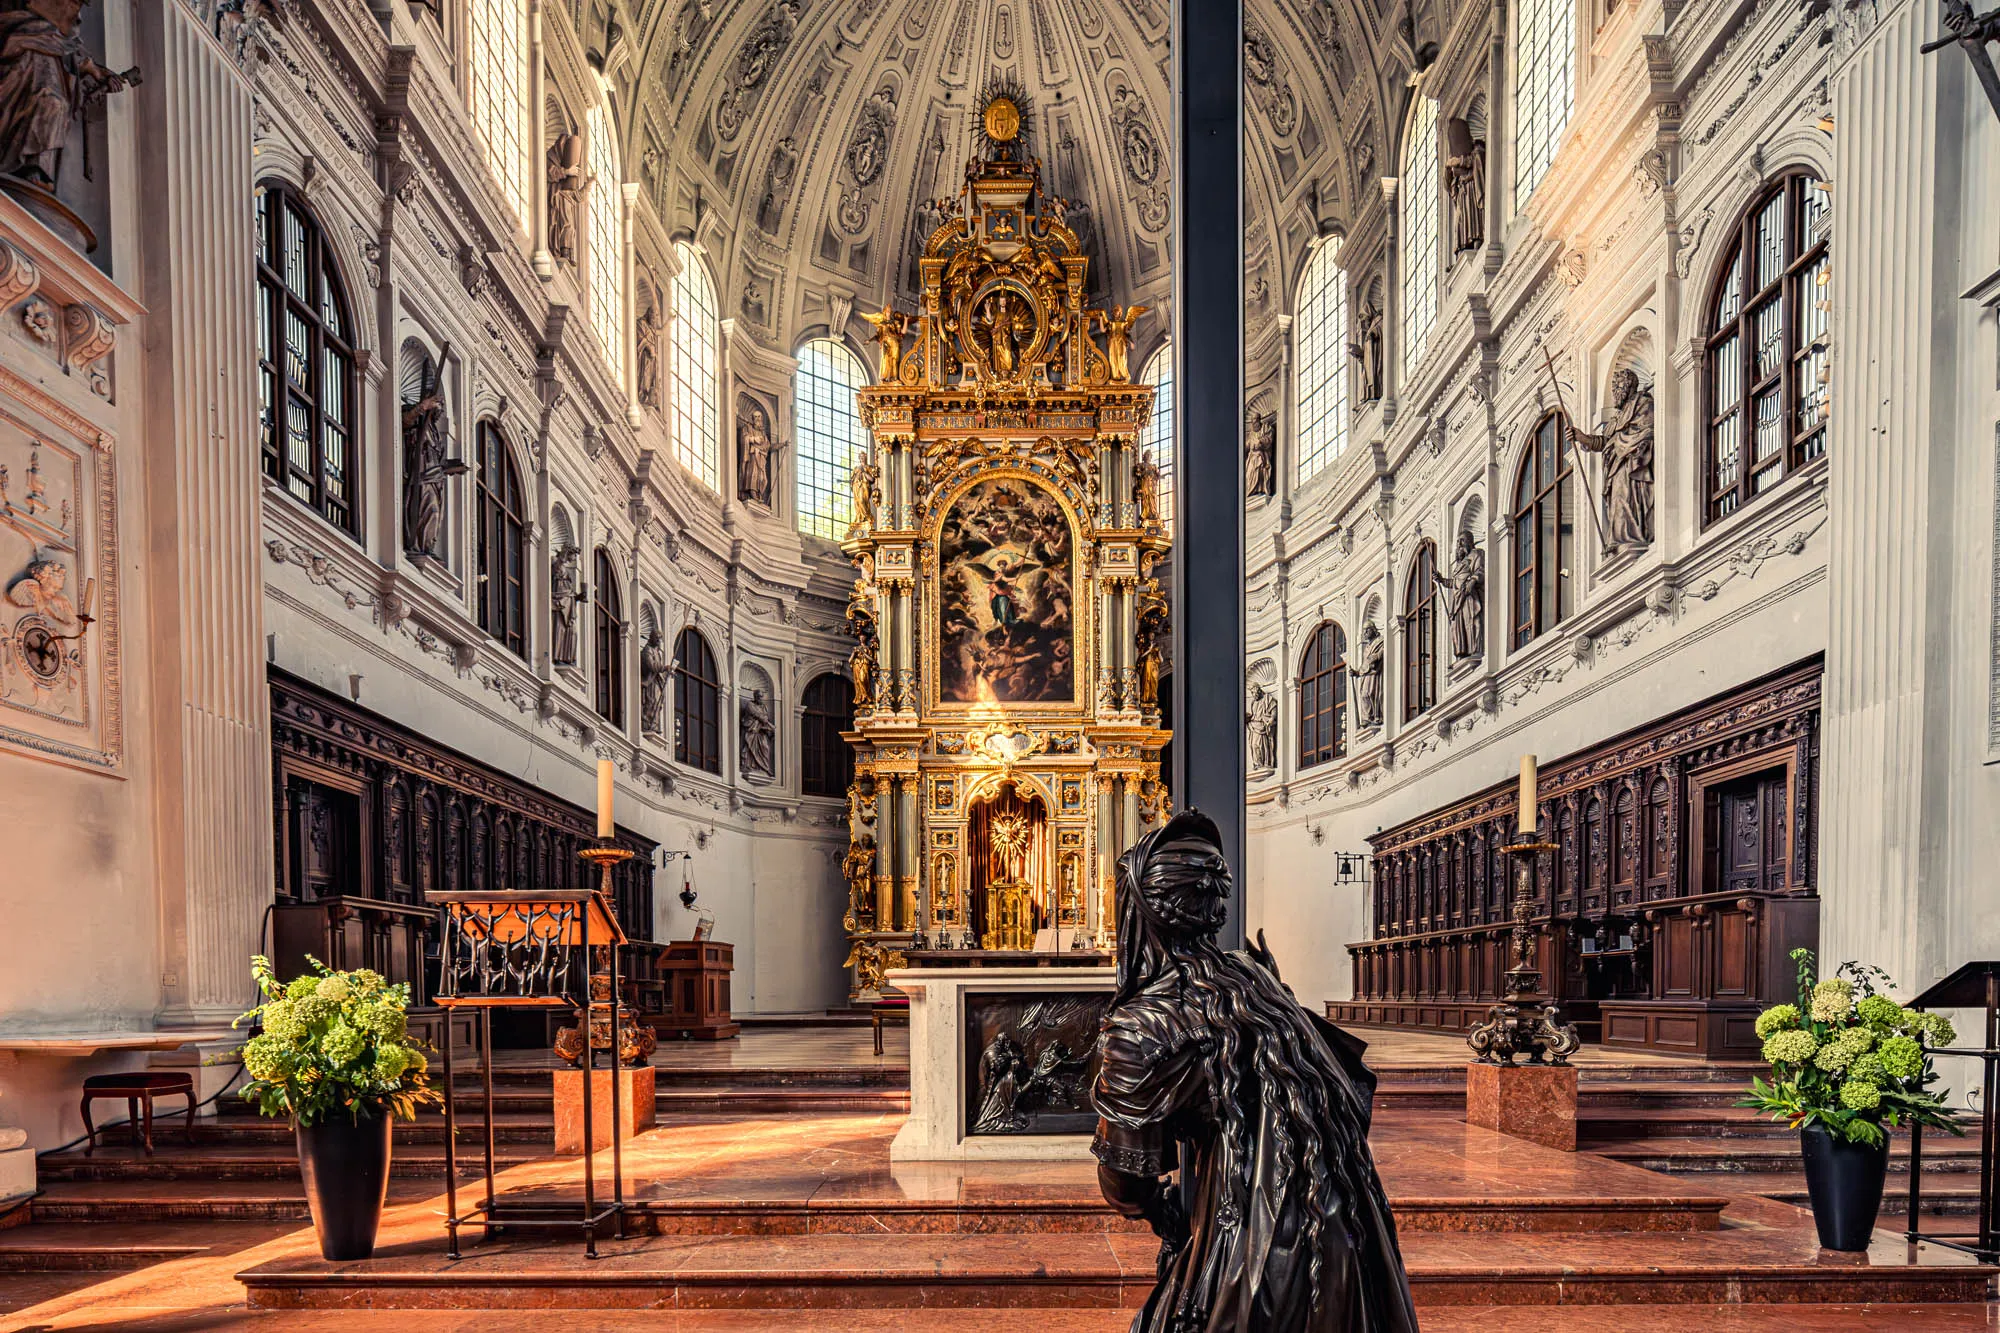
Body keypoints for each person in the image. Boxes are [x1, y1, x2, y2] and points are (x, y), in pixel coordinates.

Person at [1093, 810, 1418, 1332]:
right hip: (1341, 1230)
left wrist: (1164, 1215)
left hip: (1252, 1252)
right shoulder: (1255, 979)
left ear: (1139, 910)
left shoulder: (1141, 1024)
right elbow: (1342, 1086)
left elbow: (1126, 1181)